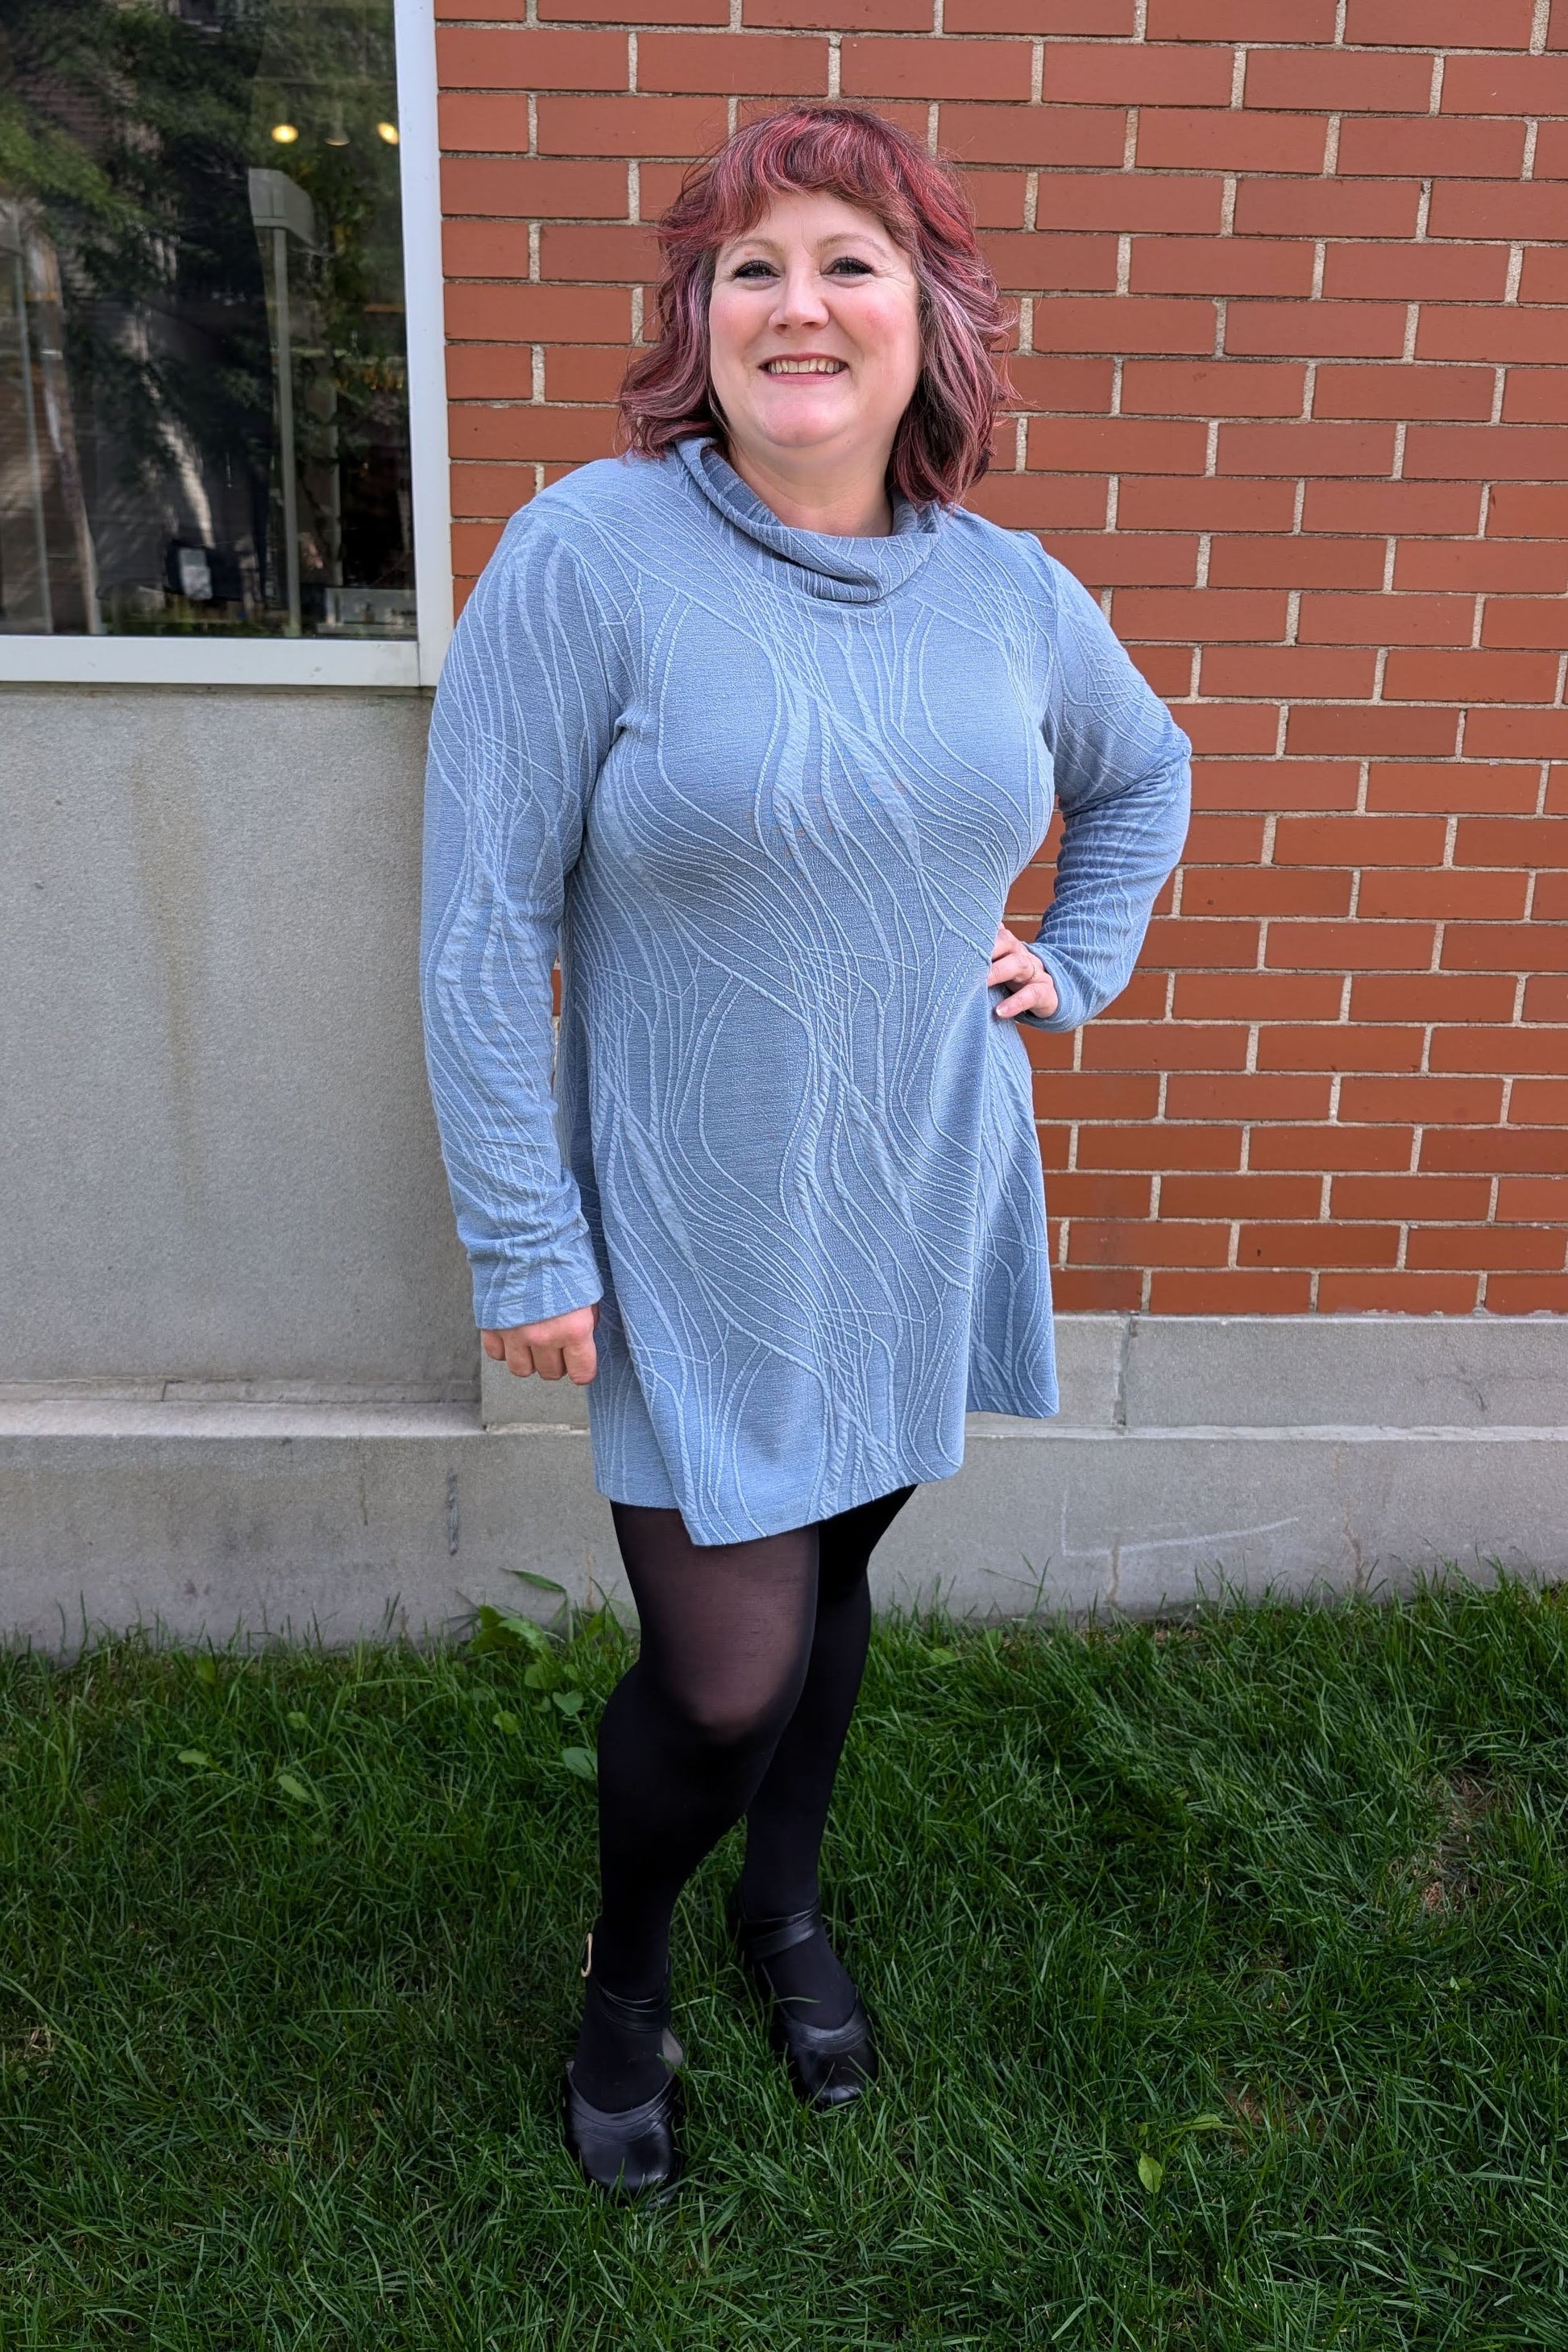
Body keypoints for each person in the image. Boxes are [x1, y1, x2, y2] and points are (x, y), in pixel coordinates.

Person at [419, 101, 1191, 2201]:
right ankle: (629, 1969)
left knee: (837, 1577)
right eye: (750, 266)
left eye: (848, 258)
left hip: (914, 1192)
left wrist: (1073, 962)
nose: (799, 303)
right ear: (697, 320)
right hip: (684, 1226)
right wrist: (524, 1243)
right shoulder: (590, 553)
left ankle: (785, 1910)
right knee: (721, 1657)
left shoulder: (1010, 590)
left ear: (930, 317)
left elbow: (1142, 775)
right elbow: (482, 918)